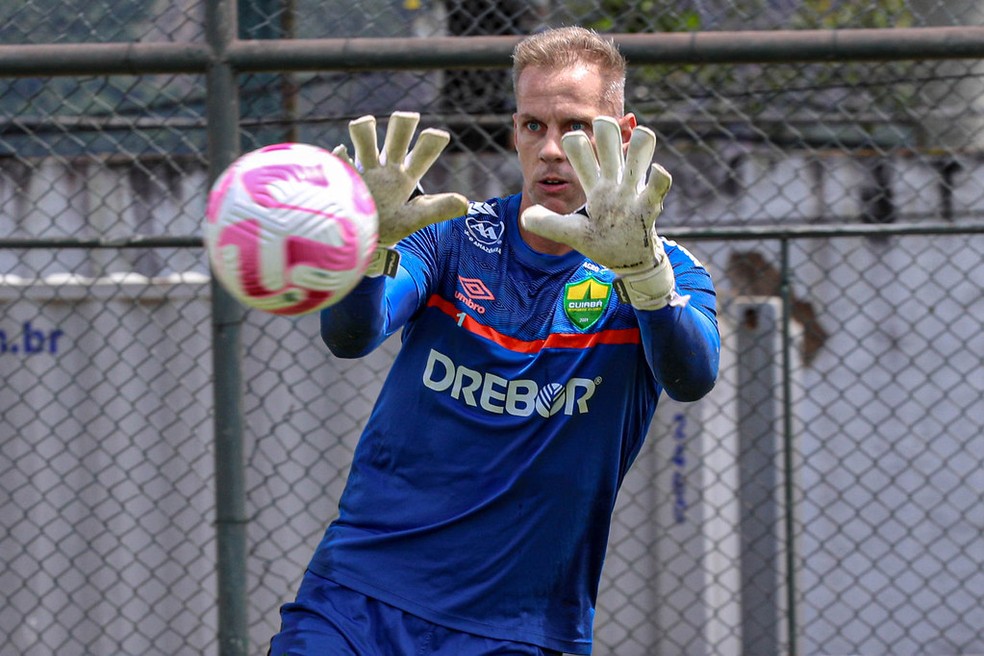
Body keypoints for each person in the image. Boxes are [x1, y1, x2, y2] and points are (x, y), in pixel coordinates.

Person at [270, 25, 720, 656]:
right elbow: (351, 335)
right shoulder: (451, 241)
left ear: (622, 135)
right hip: (360, 600)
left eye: (577, 127)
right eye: (534, 126)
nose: (553, 149)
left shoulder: (670, 274)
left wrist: (644, 279)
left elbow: (692, 376)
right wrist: (368, 254)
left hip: (520, 630)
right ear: (514, 132)